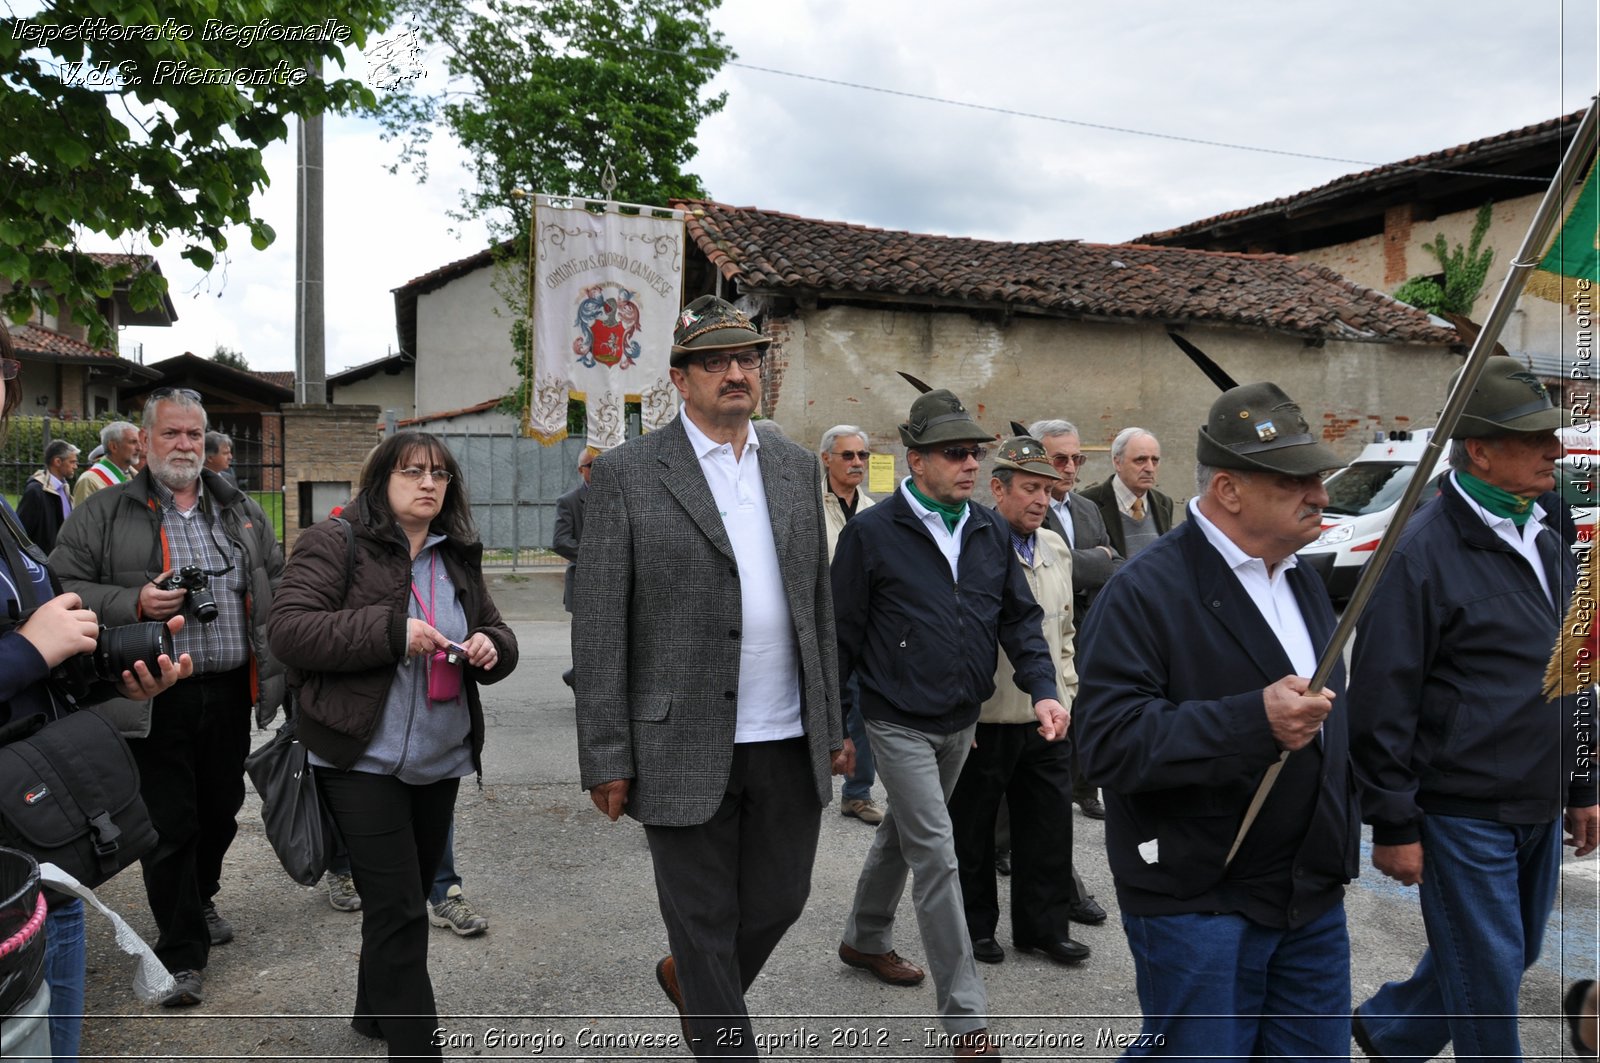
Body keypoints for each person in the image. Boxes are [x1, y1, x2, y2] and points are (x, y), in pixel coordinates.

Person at [573, 294, 846, 1060]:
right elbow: (598, 626)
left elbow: (816, 605)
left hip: (786, 731)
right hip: (678, 739)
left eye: (747, 358)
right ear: (679, 379)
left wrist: (830, 722)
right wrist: (605, 753)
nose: (736, 372)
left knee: (780, 900)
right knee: (702, 920)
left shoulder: (794, 467)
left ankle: (688, 978)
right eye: (716, 361)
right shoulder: (629, 473)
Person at [1075, 381, 1355, 1058]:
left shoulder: (1302, 580)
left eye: (1317, 477)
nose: (1319, 494)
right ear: (1229, 489)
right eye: (1297, 479)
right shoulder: (1143, 592)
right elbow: (1108, 745)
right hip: (1198, 899)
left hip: (1309, 897)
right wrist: (1251, 720)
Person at [1349, 355, 1599, 1063]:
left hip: (1538, 798)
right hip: (1461, 808)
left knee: (1505, 953)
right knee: (1488, 978)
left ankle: (1392, 1031)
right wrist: (1393, 821)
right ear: (1480, 450)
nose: (1555, 451)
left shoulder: (1548, 536)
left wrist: (1582, 783)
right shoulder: (1419, 552)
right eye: (1534, 439)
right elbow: (1380, 697)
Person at [833, 390, 1068, 1059]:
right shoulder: (873, 533)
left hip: (960, 718)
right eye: (954, 453)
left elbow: (1018, 620)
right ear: (917, 460)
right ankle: (967, 1019)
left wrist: (1044, 689)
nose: (970, 463)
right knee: (937, 850)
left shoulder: (989, 530)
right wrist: (834, 729)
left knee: (906, 833)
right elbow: (840, 637)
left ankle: (864, 936)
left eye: (975, 452)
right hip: (895, 717)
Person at [268, 430, 518, 1059]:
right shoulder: (334, 541)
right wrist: (390, 632)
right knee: (404, 905)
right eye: (412, 472)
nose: (428, 483)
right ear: (382, 479)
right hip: (358, 757)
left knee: (393, 902)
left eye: (439, 474)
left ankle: (371, 1013)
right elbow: (290, 631)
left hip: (439, 757)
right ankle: (417, 1047)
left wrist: (493, 647)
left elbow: (494, 626)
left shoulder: (457, 552)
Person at [51, 387, 284, 1009]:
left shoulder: (238, 510)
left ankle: (199, 894)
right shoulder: (103, 512)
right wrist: (134, 602)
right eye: (171, 434)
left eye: (193, 435)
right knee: (170, 823)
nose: (184, 445)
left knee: (221, 809)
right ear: (146, 442)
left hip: (232, 687)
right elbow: (60, 584)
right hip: (152, 690)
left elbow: (277, 577)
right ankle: (180, 953)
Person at [0, 339, 192, 1059]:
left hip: (42, 838)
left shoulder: (0, 512)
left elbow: (54, 643)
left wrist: (117, 666)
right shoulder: (96, 502)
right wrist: (26, 647)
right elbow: (32, 643)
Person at [947, 435, 1091, 967]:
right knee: (975, 831)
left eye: (1047, 490)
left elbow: (1065, 634)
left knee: (1048, 828)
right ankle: (976, 928)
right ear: (998, 489)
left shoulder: (1055, 548)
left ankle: (1043, 928)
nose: (1040, 500)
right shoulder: (970, 547)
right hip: (987, 717)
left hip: (1045, 717)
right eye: (1029, 488)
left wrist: (1067, 694)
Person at [1030, 418, 1124, 820]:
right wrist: (1091, 564)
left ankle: (1084, 788)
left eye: (1076, 458)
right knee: (1045, 724)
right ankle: (1007, 836)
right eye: (1060, 459)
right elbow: (1049, 569)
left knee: (1086, 709)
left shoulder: (1086, 508)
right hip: (1042, 631)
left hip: (1088, 627)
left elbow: (1116, 563)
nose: (1070, 467)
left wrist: (1086, 565)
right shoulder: (1026, 508)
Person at [820, 423, 883, 826]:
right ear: (826, 458)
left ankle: (857, 794)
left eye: (863, 456)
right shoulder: (807, 507)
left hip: (860, 628)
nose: (857, 462)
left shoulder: (874, 511)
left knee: (861, 709)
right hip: (817, 625)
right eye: (848, 455)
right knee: (812, 705)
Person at [1077, 427, 1172, 558]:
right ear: (1117, 463)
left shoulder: (1164, 503)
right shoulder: (1086, 504)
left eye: (1155, 460)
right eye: (1140, 460)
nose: (1150, 468)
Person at [552, 447, 593, 688]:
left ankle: (580, 676)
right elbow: (560, 542)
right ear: (581, 470)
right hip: (583, 583)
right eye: (592, 466)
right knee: (586, 638)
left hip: (615, 583)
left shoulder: (616, 497)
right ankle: (580, 677)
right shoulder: (569, 501)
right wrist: (596, 557)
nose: (598, 471)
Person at [17, 439, 79, 554]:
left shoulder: (64, 489)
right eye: (72, 462)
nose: (75, 466)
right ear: (57, 462)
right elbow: (21, 531)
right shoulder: (35, 491)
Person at [71, 420, 139, 506]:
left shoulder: (134, 476)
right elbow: (83, 518)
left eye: (139, 442)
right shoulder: (89, 481)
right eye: (133, 442)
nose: (139, 448)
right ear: (113, 447)